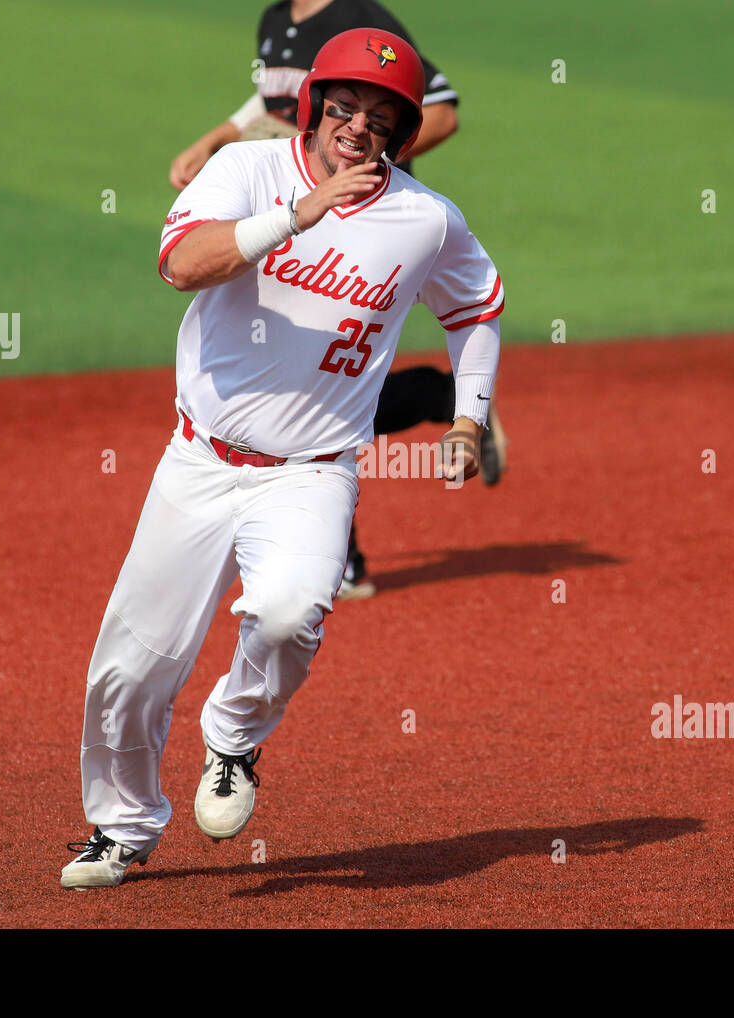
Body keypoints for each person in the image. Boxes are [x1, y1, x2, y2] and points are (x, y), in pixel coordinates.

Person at [61, 28, 504, 889]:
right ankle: (121, 826)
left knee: (290, 611)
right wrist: (302, 212)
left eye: (382, 117)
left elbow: (477, 306)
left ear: (401, 133)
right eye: (345, 107)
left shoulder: (423, 219)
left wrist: (467, 418)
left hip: (314, 468)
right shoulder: (250, 174)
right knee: (128, 667)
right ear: (314, 106)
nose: (359, 127)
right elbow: (181, 265)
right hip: (200, 460)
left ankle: (233, 736)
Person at [169, 0, 507, 600]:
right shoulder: (278, 18)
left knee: (327, 379)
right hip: (292, 199)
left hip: (353, 217)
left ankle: (342, 548)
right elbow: (271, 100)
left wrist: (368, 171)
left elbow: (441, 112)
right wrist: (220, 136)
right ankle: (429, 399)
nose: (356, 120)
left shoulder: (359, 20)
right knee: (294, 369)